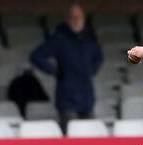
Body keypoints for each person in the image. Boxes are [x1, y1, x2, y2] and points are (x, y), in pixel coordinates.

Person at [30, 2, 103, 133]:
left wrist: (92, 69)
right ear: (68, 19)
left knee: (91, 136)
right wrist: (56, 71)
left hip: (87, 97)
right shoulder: (59, 38)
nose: (77, 21)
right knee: (72, 135)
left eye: (79, 17)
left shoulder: (88, 39)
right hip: (67, 98)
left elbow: (99, 56)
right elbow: (36, 56)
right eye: (74, 17)